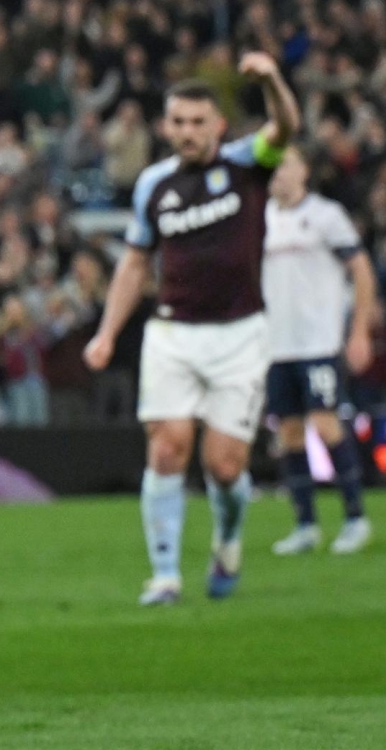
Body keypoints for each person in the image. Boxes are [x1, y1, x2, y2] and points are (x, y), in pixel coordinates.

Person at [84, 53, 301, 605]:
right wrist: (108, 332)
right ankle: (164, 575)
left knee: (224, 465)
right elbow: (136, 263)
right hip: (174, 334)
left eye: (197, 122)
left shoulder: (248, 165)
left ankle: (227, 539)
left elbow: (287, 127)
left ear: (218, 125)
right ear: (165, 126)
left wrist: (272, 80)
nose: (187, 132)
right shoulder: (153, 186)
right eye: (177, 122)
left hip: (240, 334)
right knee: (166, 450)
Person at [262, 151, 377, 555]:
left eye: (286, 164)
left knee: (326, 424)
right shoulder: (260, 219)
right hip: (276, 345)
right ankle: (306, 524)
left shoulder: (327, 215)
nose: (277, 172)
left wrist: (359, 330)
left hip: (318, 342)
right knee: (289, 432)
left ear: (304, 170)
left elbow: (361, 269)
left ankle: (355, 517)